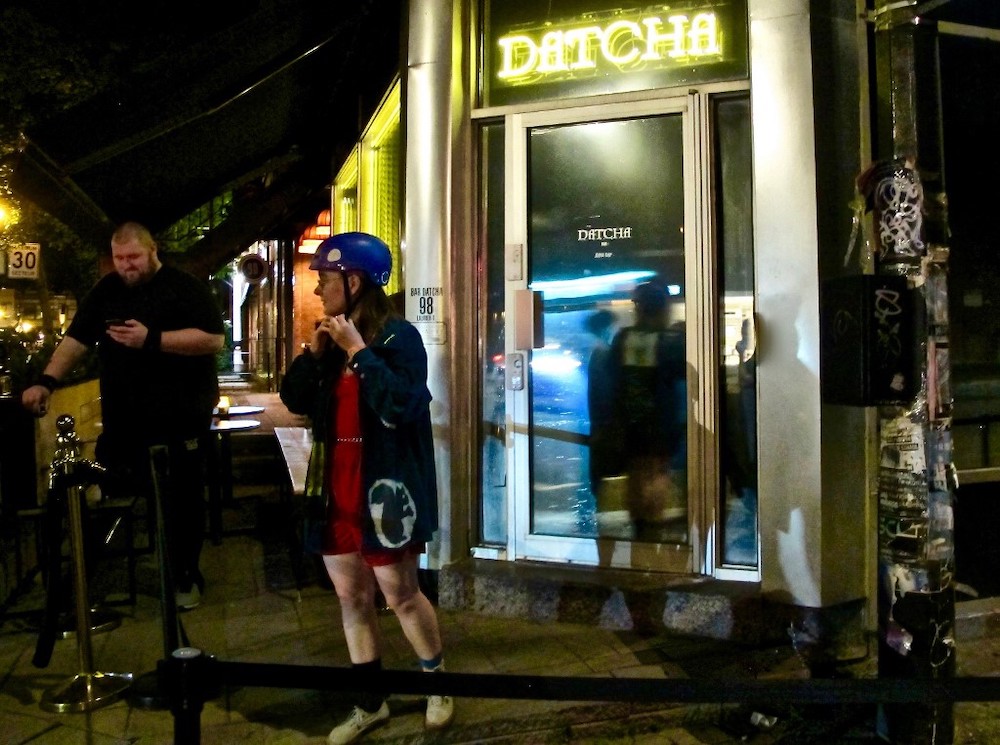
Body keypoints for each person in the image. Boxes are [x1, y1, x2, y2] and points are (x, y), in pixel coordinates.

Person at [279, 232, 453, 744]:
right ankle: (370, 703)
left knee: (400, 594)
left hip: (385, 491)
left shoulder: (400, 339)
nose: (318, 291)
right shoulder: (330, 341)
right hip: (336, 488)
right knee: (351, 597)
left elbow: (402, 405)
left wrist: (359, 352)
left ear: (354, 282)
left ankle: (439, 683)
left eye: (325, 280)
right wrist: (314, 356)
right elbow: (296, 400)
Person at [21, 221, 225, 611]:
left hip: (180, 420)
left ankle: (185, 574)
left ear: (153, 251)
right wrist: (47, 380)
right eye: (119, 259)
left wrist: (153, 340)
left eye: (133, 257)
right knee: (117, 496)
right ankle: (102, 576)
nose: (126, 266)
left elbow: (213, 340)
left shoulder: (185, 287)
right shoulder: (107, 291)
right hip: (124, 422)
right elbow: (76, 340)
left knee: (182, 503)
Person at [608, 281, 686, 541]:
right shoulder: (667, 341)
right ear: (662, 307)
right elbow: (681, 374)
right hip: (659, 423)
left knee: (637, 473)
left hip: (629, 422)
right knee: (656, 474)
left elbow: (613, 378)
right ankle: (652, 527)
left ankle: (640, 526)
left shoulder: (623, 338)